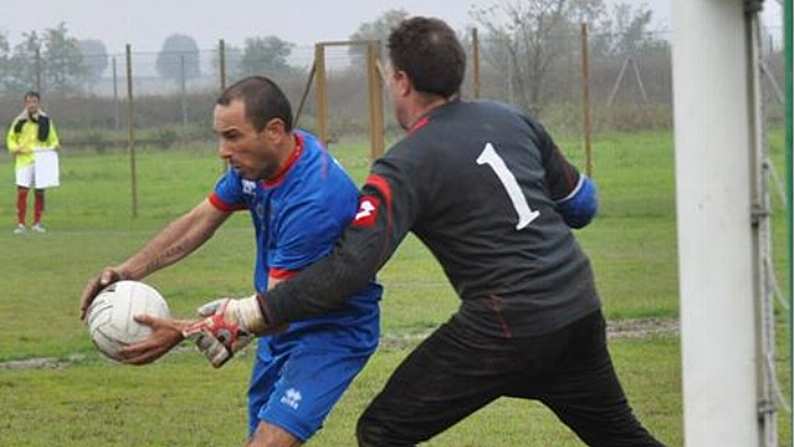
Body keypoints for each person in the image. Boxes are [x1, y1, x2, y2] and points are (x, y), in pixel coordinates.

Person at [108, 17, 664, 447]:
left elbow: (350, 270)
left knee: (383, 432)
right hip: (576, 308)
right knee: (621, 437)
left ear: (400, 80)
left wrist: (242, 315)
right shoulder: (512, 119)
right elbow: (582, 204)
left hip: (504, 325)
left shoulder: (404, 165)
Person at [79, 76, 382, 447]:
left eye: (233, 136)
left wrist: (179, 331)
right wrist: (128, 271)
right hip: (275, 324)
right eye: (220, 136)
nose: (223, 150)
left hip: (329, 331)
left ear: (274, 131)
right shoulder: (265, 165)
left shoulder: (313, 199)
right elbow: (200, 220)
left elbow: (279, 309)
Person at [6, 91, 60, 234]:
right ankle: (21, 224)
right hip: (24, 161)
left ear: (38, 103)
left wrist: (55, 145)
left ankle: (37, 223)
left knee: (39, 192)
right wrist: (16, 148)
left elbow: (52, 138)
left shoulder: (45, 120)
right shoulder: (19, 121)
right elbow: (11, 138)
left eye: (34, 101)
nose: (32, 104)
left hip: (41, 160)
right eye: (29, 102)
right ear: (25, 103)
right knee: (22, 192)